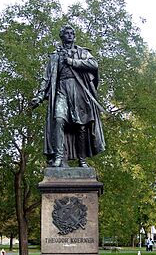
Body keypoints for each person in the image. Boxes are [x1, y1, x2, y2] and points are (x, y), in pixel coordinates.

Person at [31, 25, 105, 167]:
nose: (70, 35)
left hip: (78, 90)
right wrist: (40, 96)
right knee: (58, 119)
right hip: (61, 89)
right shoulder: (55, 56)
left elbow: (93, 64)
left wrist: (72, 62)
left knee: (81, 125)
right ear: (62, 36)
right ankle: (58, 157)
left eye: (72, 33)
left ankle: (82, 160)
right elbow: (46, 78)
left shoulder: (82, 52)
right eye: (67, 33)